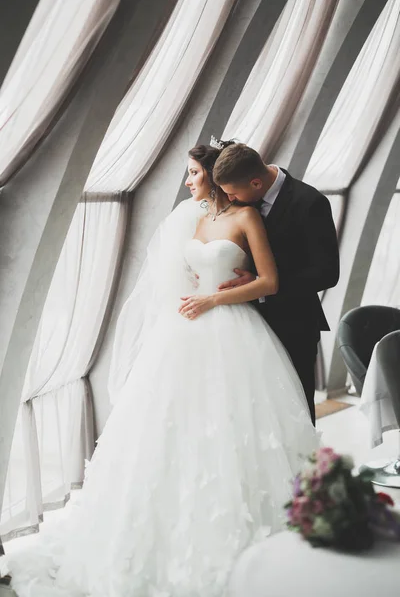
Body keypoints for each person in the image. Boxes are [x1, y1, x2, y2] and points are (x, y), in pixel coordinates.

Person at [1, 141, 318, 597]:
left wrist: (213, 297)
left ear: (214, 177)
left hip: (234, 332)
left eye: (193, 173)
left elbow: (269, 281)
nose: (188, 182)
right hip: (184, 335)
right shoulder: (195, 220)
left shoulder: (247, 218)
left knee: (238, 432)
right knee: (167, 432)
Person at [213, 143, 340, 425]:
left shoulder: (310, 202)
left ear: (256, 182)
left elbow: (327, 273)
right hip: (246, 324)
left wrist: (263, 282)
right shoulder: (241, 201)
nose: (229, 199)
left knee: (297, 410)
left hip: (293, 323)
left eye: (232, 192)